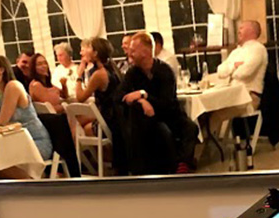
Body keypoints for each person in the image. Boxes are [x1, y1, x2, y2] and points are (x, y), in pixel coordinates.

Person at [117, 32, 198, 174]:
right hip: (146, 119)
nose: (129, 54)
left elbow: (167, 104)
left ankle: (182, 165)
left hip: (168, 114)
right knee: (161, 131)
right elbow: (119, 96)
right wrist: (142, 100)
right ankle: (165, 169)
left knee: (191, 128)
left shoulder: (164, 71)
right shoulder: (133, 73)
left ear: (145, 52)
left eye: (133, 50)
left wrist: (144, 95)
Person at [0, 55, 53, 160]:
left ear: (1, 70)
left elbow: (2, 121)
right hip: (16, 142)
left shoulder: (13, 86)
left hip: (34, 141)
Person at [74, 37, 124, 171]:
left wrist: (79, 75)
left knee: (84, 127)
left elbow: (80, 97)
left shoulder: (99, 74)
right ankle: (99, 162)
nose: (85, 51)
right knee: (80, 120)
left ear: (95, 53)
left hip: (110, 118)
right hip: (116, 114)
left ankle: (100, 163)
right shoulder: (112, 68)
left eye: (89, 47)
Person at [217, 20, 268, 111]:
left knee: (217, 114)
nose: (238, 31)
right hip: (233, 95)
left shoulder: (258, 49)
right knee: (207, 112)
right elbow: (220, 71)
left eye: (242, 28)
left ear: (252, 31)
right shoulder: (236, 51)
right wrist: (234, 66)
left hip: (249, 97)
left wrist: (230, 72)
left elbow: (244, 73)